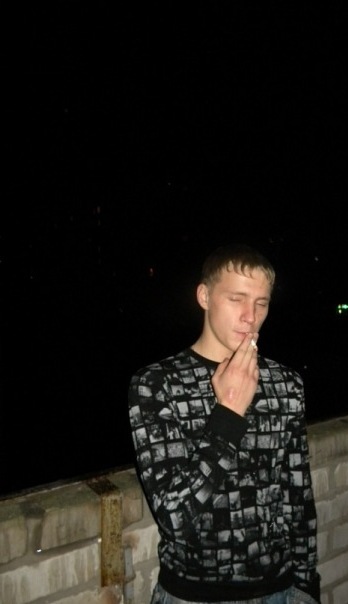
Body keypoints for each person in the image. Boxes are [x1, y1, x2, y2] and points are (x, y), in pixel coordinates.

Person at [128, 243, 321, 604]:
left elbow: (298, 496)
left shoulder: (286, 382)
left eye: (261, 303)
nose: (251, 316)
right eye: (236, 299)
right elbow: (174, 519)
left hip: (280, 590)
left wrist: (307, 583)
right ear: (204, 296)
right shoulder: (157, 384)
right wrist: (229, 414)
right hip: (193, 596)